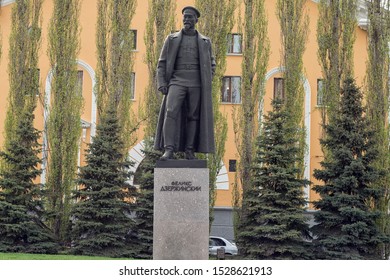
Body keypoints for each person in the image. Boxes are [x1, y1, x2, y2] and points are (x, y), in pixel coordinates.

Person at [154, 6, 216, 160]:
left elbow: (212, 63)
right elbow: (161, 63)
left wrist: (208, 78)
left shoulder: (205, 41)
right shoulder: (172, 39)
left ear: (196, 20)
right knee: (170, 111)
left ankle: (189, 150)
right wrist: (162, 82)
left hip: (196, 82)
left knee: (193, 116)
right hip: (177, 80)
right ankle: (169, 149)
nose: (187, 20)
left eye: (190, 17)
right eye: (185, 17)